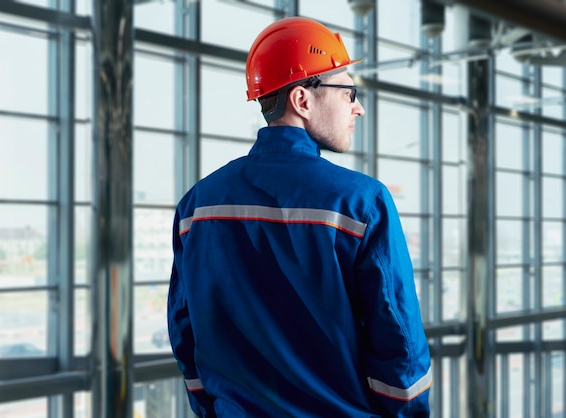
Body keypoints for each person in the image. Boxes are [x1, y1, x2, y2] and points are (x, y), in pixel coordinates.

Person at [168, 16, 432, 418]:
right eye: (349, 92)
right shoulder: (361, 202)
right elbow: (397, 338)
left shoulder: (196, 206)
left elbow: (185, 332)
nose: (358, 108)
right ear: (302, 100)